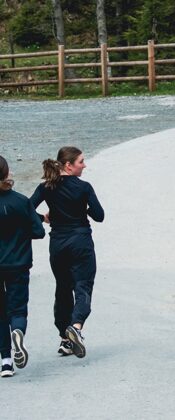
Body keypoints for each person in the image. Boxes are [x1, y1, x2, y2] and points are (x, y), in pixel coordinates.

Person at [31, 147, 104, 358]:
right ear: (69, 165)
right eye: (81, 161)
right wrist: (83, 208)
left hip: (58, 244)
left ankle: (65, 339)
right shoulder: (84, 187)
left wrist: (43, 218)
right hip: (81, 242)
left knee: (63, 288)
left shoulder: (46, 187)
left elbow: (25, 208)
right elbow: (99, 215)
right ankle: (76, 326)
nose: (84, 165)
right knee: (83, 285)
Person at [0, 156, 45, 378]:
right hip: (18, 262)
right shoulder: (20, 201)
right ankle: (18, 331)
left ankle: (6, 362)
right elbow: (39, 231)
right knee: (17, 309)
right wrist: (20, 233)